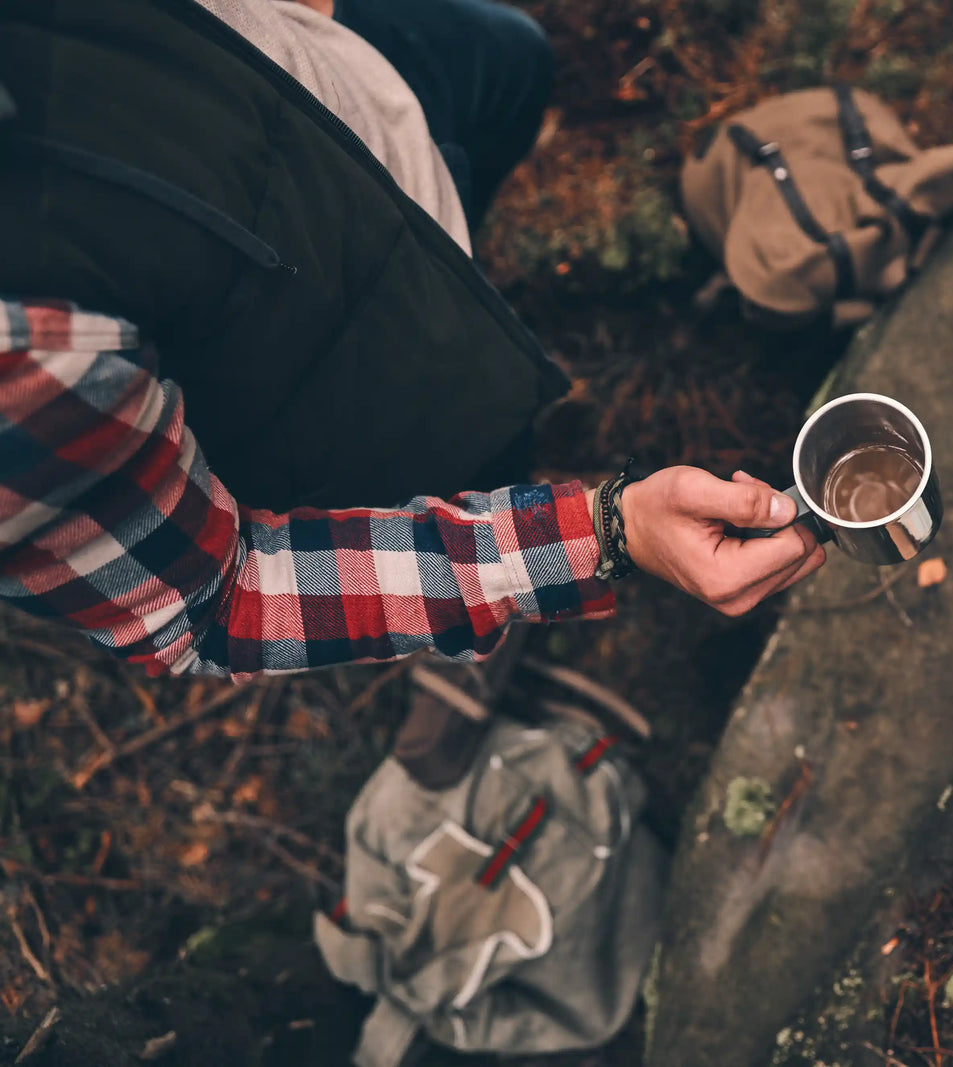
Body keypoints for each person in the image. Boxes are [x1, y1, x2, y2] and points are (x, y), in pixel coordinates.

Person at [0, 0, 826, 682]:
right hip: (338, 389)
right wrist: (611, 530)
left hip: (329, 78)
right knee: (491, 431)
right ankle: (491, 619)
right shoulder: (21, 361)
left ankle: (452, 258)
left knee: (511, 64)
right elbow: (223, 592)